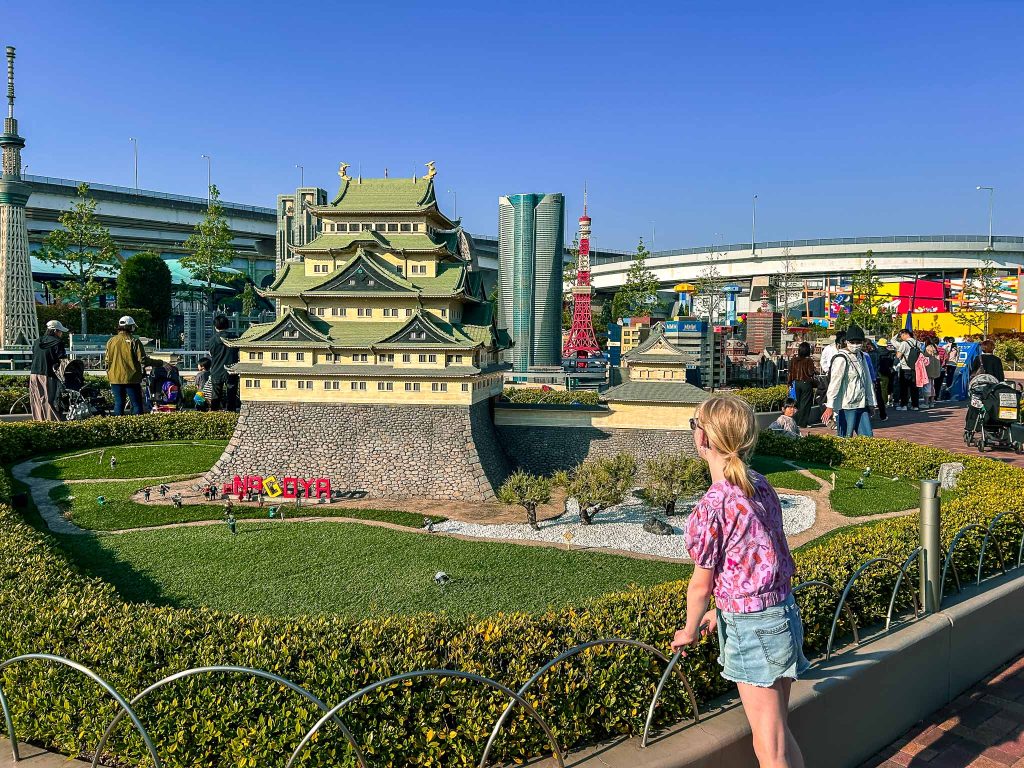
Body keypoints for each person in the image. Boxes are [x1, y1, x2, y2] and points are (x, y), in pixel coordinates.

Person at [673, 395, 807, 768]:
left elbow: (701, 582)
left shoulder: (713, 505)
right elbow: (752, 558)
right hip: (782, 614)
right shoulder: (759, 485)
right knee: (780, 735)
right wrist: (722, 606)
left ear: (704, 440)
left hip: (754, 628)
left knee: (770, 749)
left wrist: (688, 629)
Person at [822, 324, 876, 438]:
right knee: (846, 437)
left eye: (858, 342)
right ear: (846, 341)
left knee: (867, 437)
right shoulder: (841, 358)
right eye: (853, 342)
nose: (855, 345)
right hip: (846, 405)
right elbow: (834, 383)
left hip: (861, 403)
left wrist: (871, 402)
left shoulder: (861, 356)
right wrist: (830, 406)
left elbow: (867, 380)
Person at [105, 315, 164, 416]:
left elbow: (107, 360)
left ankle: (116, 426)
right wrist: (160, 362)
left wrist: (109, 373)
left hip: (114, 377)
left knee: (119, 403)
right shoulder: (134, 341)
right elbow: (143, 359)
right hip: (131, 378)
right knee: (136, 404)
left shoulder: (111, 341)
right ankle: (137, 426)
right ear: (130, 327)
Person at [29, 319, 69, 421]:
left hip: (34, 374)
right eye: (60, 332)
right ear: (55, 331)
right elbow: (63, 361)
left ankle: (38, 422)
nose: (61, 334)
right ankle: (53, 424)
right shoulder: (58, 342)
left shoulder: (38, 341)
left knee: (36, 400)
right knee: (49, 400)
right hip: (48, 374)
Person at [208, 315, 240, 412]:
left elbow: (211, 353)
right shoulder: (235, 338)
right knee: (231, 395)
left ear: (215, 326)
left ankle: (214, 415)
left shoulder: (212, 340)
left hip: (216, 370)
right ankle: (231, 414)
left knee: (216, 395)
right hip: (231, 370)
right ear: (228, 325)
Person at [787, 342, 815, 428]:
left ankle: (795, 422)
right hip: (806, 383)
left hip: (796, 383)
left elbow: (790, 372)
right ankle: (802, 423)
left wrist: (789, 383)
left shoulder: (794, 360)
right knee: (805, 404)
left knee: (796, 403)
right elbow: (810, 372)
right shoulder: (809, 360)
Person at [893, 329, 920, 411]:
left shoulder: (904, 344)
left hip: (905, 368)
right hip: (915, 368)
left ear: (905, 334)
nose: (901, 337)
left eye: (901, 335)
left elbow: (898, 355)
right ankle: (915, 405)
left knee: (904, 388)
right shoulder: (917, 343)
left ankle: (904, 405)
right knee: (914, 388)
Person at [924, 343, 943, 408]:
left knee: (927, 388)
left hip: (928, 374)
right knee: (932, 388)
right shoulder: (936, 356)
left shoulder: (927, 357)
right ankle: (932, 402)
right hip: (935, 374)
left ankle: (926, 403)